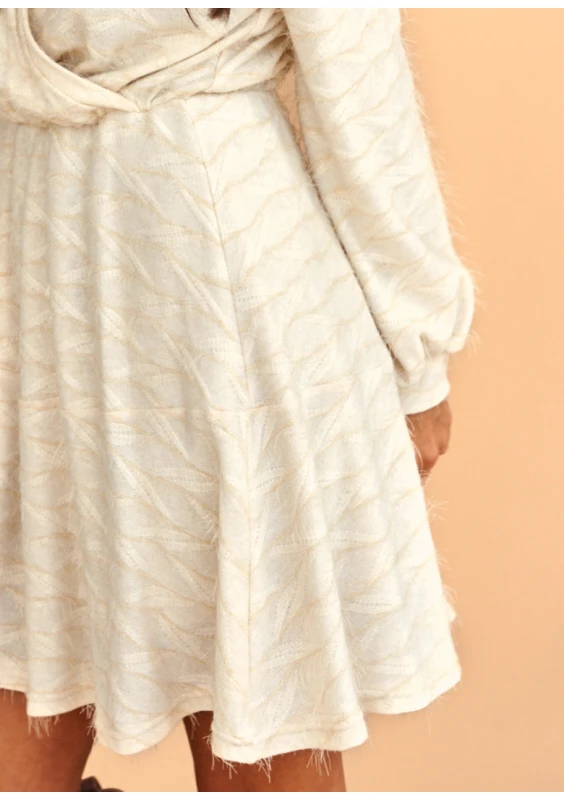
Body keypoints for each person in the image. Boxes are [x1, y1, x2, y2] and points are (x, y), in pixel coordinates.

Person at [0, 7, 476, 792]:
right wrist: (421, 358)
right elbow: (358, 90)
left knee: (50, 645)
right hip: (193, 257)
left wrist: (420, 353)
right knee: (251, 672)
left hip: (58, 256)